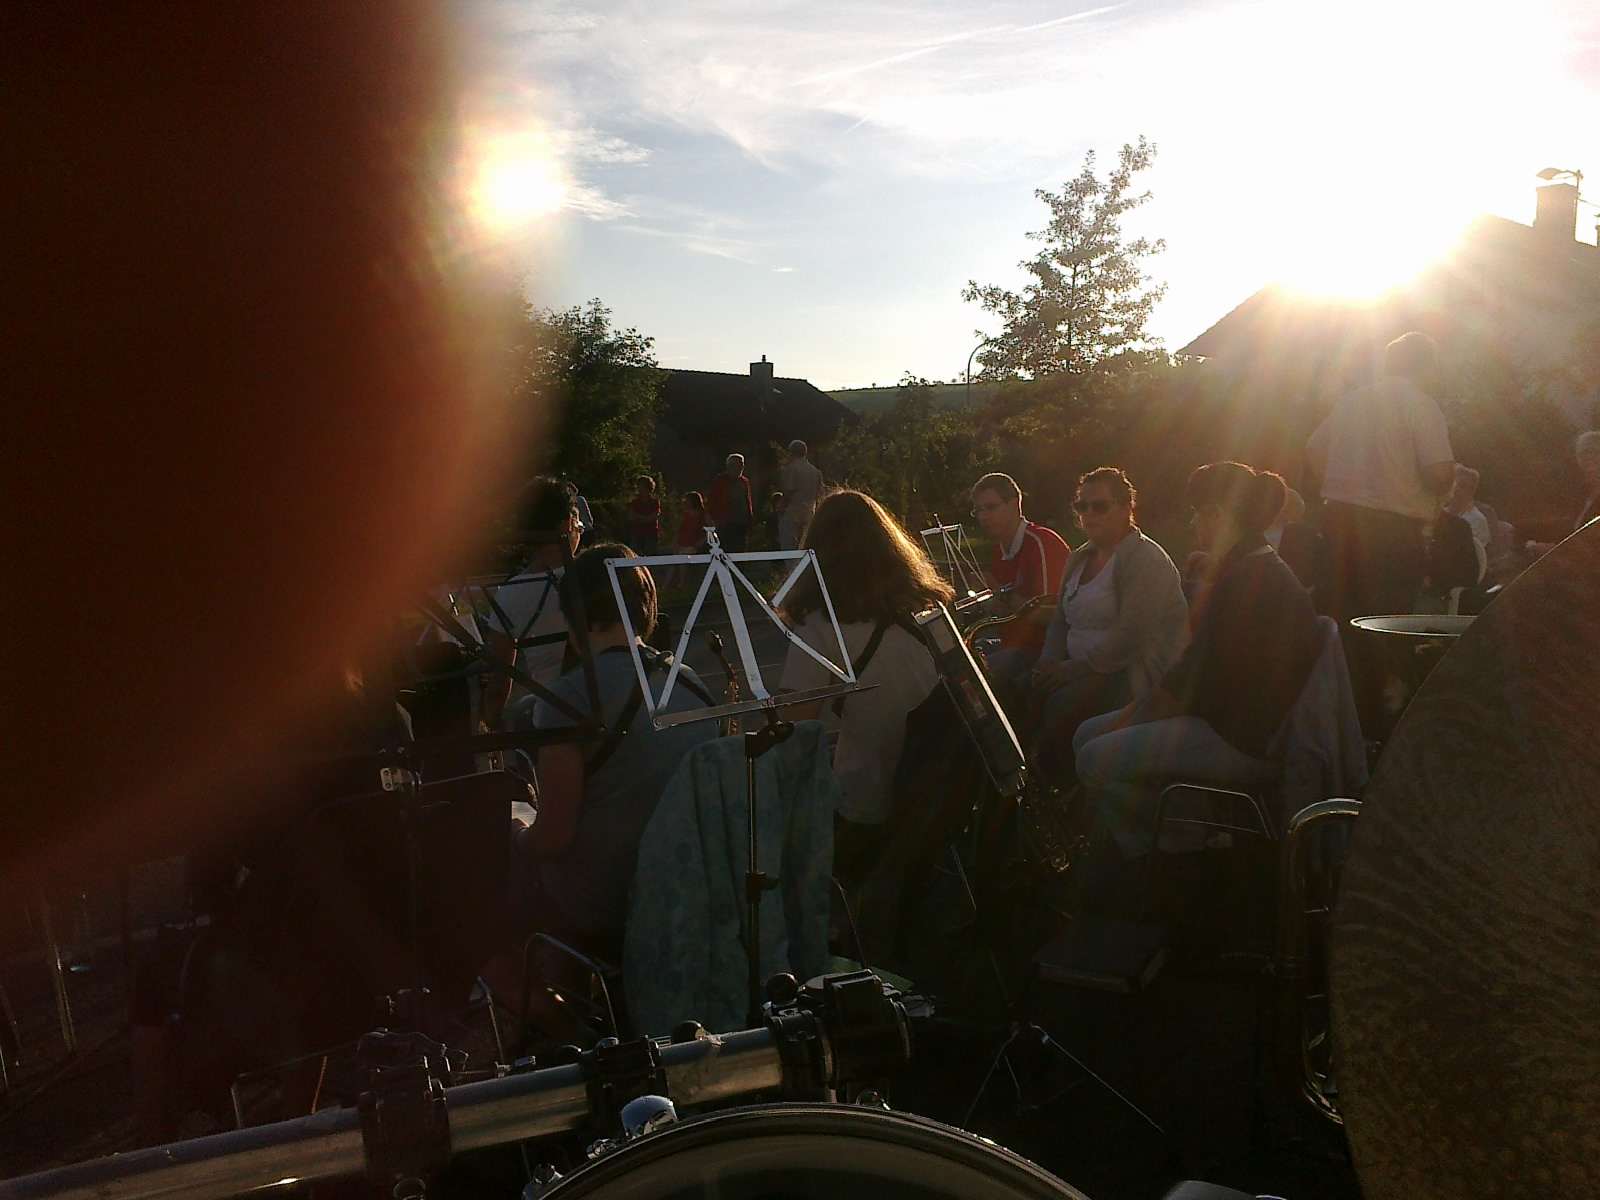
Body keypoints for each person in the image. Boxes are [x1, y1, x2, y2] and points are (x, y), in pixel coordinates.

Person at [1073, 463, 1322, 870]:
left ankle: (1167, 851)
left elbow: (1187, 687)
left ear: (1217, 516)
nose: (1192, 523)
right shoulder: (1253, 568)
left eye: (1197, 513)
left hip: (1244, 738)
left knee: (1091, 756)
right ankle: (1178, 829)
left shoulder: (1248, 582)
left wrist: (1129, 718)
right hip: (1234, 721)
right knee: (1087, 734)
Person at [513, 545, 717, 953]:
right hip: (687, 888)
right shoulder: (689, 681)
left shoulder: (568, 697)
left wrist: (517, 832)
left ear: (574, 618)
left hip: (607, 902)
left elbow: (554, 838)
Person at [778, 491, 953, 871]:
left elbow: (793, 731)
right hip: (942, 789)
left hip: (871, 803)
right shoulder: (928, 606)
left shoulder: (819, 625)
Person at [1029, 467, 1189, 783]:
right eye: (1081, 506)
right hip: (1077, 666)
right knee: (1018, 684)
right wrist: (1048, 660)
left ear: (1127, 508)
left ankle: (1063, 786)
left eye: (1099, 506)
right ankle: (1021, 775)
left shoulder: (1146, 560)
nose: (1088, 514)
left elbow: (1130, 637)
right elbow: (1061, 619)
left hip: (1130, 673)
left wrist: (1070, 670)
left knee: (1061, 703)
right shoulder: (1080, 557)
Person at [1306, 331, 1456, 621]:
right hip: (1392, 533)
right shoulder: (1421, 405)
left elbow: (1313, 448)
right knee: (1385, 624)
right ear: (1426, 366)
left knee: (1337, 621)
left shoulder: (1350, 402)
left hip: (1339, 523)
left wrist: (1339, 485)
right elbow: (1438, 473)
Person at [480, 477, 581, 728]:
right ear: (567, 524)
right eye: (579, 524)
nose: (580, 530)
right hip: (613, 705)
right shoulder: (601, 574)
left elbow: (499, 681)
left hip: (552, 715)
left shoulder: (509, 593)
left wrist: (490, 723)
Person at [970, 471, 1071, 682]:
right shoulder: (1000, 550)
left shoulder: (1041, 543)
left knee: (973, 678)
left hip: (1042, 651)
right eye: (978, 510)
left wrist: (1001, 594)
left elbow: (1052, 617)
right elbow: (1005, 612)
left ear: (1015, 504)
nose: (983, 517)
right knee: (958, 660)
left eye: (991, 507)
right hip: (1011, 644)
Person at [1526, 430, 1600, 557]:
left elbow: (1591, 543)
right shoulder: (1582, 492)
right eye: (1582, 454)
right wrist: (1523, 529)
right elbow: (1571, 525)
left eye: (1594, 452)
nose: (1588, 458)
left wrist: (1554, 550)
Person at [1443, 465, 1489, 583]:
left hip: (1460, 576)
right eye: (1455, 484)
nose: (1457, 489)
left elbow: (1469, 559)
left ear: (1471, 491)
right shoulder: (1439, 513)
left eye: (1463, 486)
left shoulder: (1477, 520)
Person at [779, 439, 823, 549]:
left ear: (791, 452)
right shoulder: (815, 471)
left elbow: (789, 491)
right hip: (810, 512)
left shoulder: (791, 468)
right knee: (805, 545)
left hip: (793, 511)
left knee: (789, 545)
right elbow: (819, 493)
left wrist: (781, 507)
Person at [707, 453, 754, 551]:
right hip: (724, 522)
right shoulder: (720, 481)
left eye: (741, 464)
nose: (740, 467)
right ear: (729, 466)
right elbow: (712, 501)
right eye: (737, 464)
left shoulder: (744, 482)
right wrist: (712, 519)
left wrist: (749, 519)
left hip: (741, 523)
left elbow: (747, 501)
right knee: (726, 548)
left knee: (740, 549)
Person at [626, 475, 662, 556]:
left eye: (641, 485)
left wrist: (640, 518)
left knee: (650, 556)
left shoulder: (654, 502)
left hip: (651, 533)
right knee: (635, 556)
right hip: (637, 533)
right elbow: (631, 516)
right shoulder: (634, 502)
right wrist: (646, 518)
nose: (639, 488)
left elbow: (654, 516)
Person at [567, 481, 595, 545]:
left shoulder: (578, 500)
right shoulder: (579, 499)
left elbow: (588, 514)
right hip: (583, 529)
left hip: (582, 530)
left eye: (569, 491)